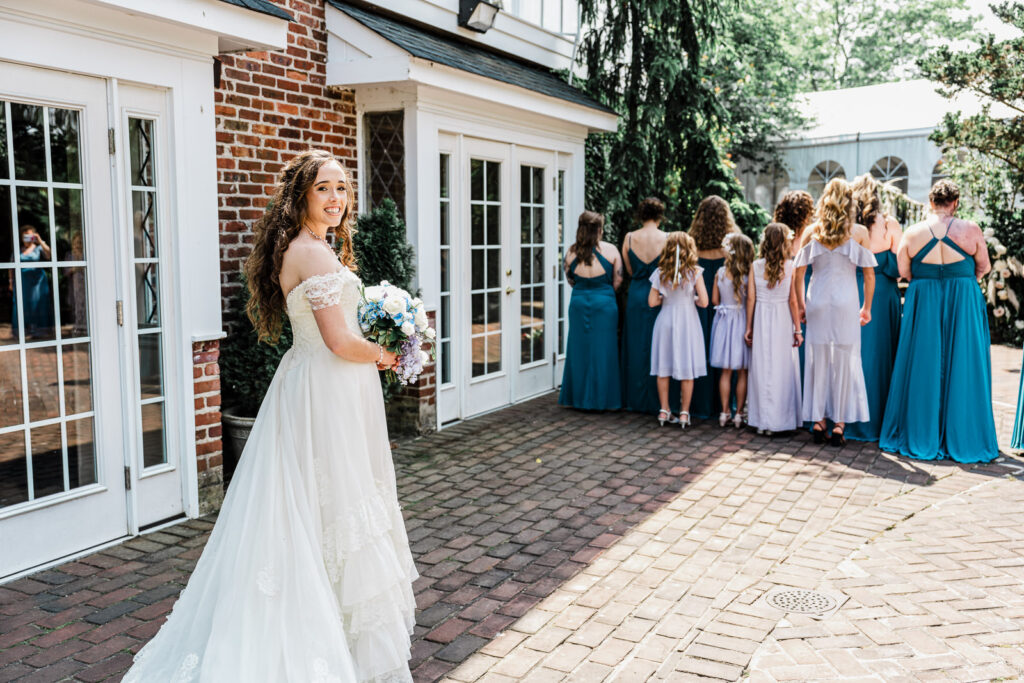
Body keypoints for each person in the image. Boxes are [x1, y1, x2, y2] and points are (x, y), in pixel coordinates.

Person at [124, 150, 417, 683]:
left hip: (323, 386)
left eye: (343, 189)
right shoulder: (311, 253)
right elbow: (338, 340)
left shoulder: (312, 247)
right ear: (302, 194)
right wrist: (387, 353)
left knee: (324, 499)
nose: (335, 198)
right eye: (323, 188)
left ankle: (340, 626)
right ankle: (325, 633)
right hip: (326, 389)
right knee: (332, 499)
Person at [880, 179, 998, 462]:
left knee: (923, 361)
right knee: (964, 362)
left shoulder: (913, 232)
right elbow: (984, 267)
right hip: (963, 300)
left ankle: (922, 429)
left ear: (930, 202)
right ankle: (964, 432)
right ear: (955, 203)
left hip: (925, 301)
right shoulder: (970, 229)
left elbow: (904, 272)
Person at [795, 179, 877, 447]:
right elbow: (868, 274)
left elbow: (798, 273)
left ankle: (818, 420)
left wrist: (801, 305)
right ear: (850, 202)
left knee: (818, 359)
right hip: (846, 302)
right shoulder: (860, 232)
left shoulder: (811, 231)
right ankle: (839, 424)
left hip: (817, 298)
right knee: (844, 360)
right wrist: (867, 307)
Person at [845, 174, 903, 442]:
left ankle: (842, 418)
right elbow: (900, 270)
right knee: (879, 356)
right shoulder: (889, 224)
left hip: (851, 292)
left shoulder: (845, 226)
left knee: (849, 354)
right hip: (881, 295)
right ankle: (875, 421)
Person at [559, 210, 623, 410]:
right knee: (604, 350)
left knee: (579, 350)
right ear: (599, 229)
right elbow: (618, 280)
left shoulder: (570, 253)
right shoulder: (611, 250)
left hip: (578, 303)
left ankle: (577, 398)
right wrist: (602, 294)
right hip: (604, 304)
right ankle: (603, 399)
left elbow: (570, 279)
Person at [746, 223, 802, 435]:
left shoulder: (755, 265)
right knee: (781, 367)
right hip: (782, 319)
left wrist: (749, 326)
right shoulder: (790, 266)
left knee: (761, 367)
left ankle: (762, 421)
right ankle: (779, 421)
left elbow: (750, 298)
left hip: (761, 317)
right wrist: (798, 329)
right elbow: (793, 300)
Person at [649, 231, 708, 428]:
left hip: (666, 320)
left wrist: (665, 298)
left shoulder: (660, 272)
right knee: (687, 367)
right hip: (687, 322)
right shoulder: (695, 272)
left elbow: (651, 302)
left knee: (663, 368)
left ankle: (664, 410)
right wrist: (692, 299)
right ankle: (684, 413)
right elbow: (705, 302)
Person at [688, 196, 740, 419]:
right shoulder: (731, 246)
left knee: (701, 348)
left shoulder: (692, 243)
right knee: (725, 351)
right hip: (725, 306)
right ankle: (725, 406)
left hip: (700, 304)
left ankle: (700, 404)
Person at [620, 197, 669, 414]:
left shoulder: (630, 238)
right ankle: (658, 400)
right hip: (658, 294)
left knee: (635, 344)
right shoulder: (667, 238)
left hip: (637, 293)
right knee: (657, 345)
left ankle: (634, 399)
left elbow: (629, 270)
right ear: (660, 216)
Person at [710, 233, 754, 427]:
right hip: (742, 319)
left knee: (726, 372)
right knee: (743, 372)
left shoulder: (719, 273)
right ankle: (738, 414)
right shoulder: (748, 275)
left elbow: (714, 301)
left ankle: (723, 412)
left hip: (724, 321)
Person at [12, 225, 54, 340]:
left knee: (37, 304)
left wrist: (40, 241)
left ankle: (38, 330)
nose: (27, 238)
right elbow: (11, 267)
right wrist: (11, 282)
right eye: (25, 236)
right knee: (23, 304)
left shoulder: (38, 247)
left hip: (37, 281)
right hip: (22, 281)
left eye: (30, 236)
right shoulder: (18, 250)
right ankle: (24, 330)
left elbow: (49, 254)